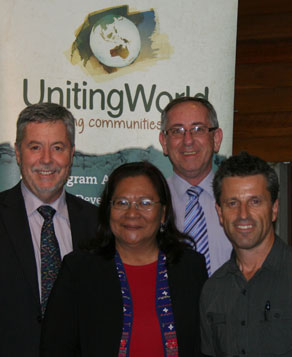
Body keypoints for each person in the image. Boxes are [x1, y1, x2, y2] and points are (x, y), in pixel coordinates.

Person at [40, 161, 207, 357]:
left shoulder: (190, 266)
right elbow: (55, 348)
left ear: (163, 213)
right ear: (108, 210)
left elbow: (204, 345)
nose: (132, 213)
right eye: (122, 203)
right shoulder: (78, 270)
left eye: (145, 203)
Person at [0, 103, 98, 357]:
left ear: (72, 154)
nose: (47, 159)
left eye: (58, 148)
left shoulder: (98, 223)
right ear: (18, 153)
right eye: (35, 147)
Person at [200, 151, 292, 356]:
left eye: (255, 202)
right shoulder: (212, 290)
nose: (243, 215)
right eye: (232, 203)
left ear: (274, 208)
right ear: (220, 213)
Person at [159, 96, 232, 275]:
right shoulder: (152, 204)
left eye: (198, 129)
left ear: (216, 138)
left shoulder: (237, 201)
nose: (188, 140)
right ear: (164, 142)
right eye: (177, 131)